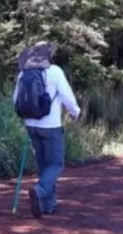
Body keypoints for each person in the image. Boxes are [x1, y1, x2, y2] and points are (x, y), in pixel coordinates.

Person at [12, 41, 81, 219]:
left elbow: (15, 101)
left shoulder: (24, 72)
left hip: (31, 125)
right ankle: (39, 191)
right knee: (56, 163)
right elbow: (67, 97)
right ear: (49, 55)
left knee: (44, 164)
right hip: (50, 126)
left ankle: (47, 205)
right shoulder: (55, 71)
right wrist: (75, 112)